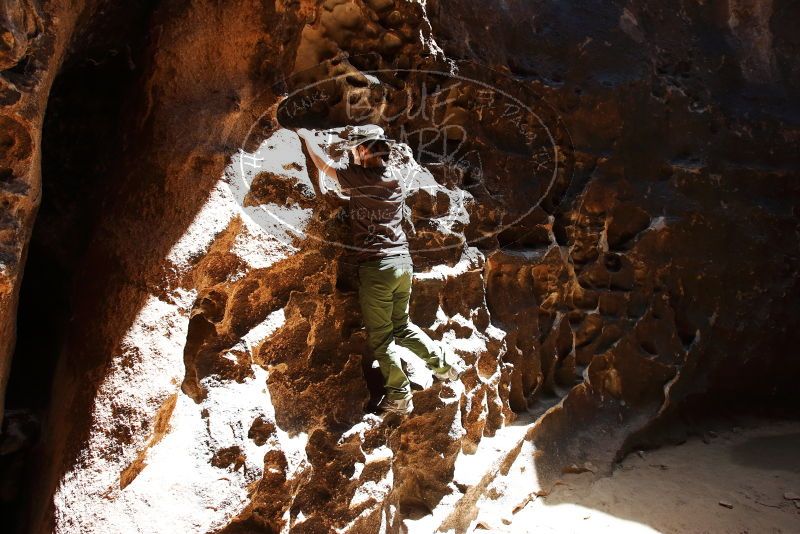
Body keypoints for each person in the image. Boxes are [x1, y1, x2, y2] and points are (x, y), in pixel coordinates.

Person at [297, 125, 464, 415]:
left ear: (363, 151)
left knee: (382, 336)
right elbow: (356, 177)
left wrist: (306, 139)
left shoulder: (359, 178)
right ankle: (445, 366)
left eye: (355, 148)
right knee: (402, 325)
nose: (352, 152)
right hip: (402, 264)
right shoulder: (394, 179)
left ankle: (399, 394)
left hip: (377, 268)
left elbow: (325, 167)